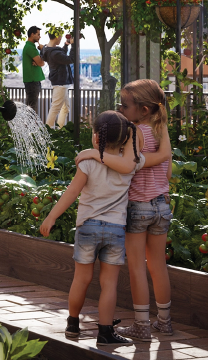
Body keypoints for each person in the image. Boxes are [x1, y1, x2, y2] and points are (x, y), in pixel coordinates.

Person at [75, 79, 173, 342]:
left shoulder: (135, 131)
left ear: (143, 110)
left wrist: (96, 154)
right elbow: (168, 166)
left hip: (139, 206)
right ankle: (164, 321)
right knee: (158, 265)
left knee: (137, 268)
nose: (120, 108)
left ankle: (142, 325)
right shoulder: (161, 128)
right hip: (162, 204)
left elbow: (129, 164)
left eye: (124, 105)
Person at [40, 110, 143, 346]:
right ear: (126, 138)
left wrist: (51, 217)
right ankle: (105, 332)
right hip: (115, 230)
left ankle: (73, 324)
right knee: (109, 284)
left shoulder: (87, 162)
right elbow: (145, 150)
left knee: (81, 279)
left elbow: (72, 192)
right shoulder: (131, 162)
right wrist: (131, 132)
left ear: (96, 136)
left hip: (87, 227)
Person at [42, 32, 75, 128]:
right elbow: (70, 59)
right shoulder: (55, 53)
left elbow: (61, 56)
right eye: (60, 37)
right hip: (61, 83)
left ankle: (60, 128)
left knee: (66, 108)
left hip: (60, 82)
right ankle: (49, 131)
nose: (61, 39)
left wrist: (66, 45)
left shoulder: (47, 49)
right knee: (55, 108)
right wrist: (73, 45)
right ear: (56, 37)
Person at [22, 26, 46, 111]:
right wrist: (43, 50)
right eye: (38, 34)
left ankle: (30, 124)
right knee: (32, 108)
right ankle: (32, 124)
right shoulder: (31, 48)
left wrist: (39, 60)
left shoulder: (29, 46)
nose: (40, 37)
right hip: (32, 81)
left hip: (32, 81)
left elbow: (39, 62)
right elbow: (42, 63)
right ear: (32, 34)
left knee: (31, 106)